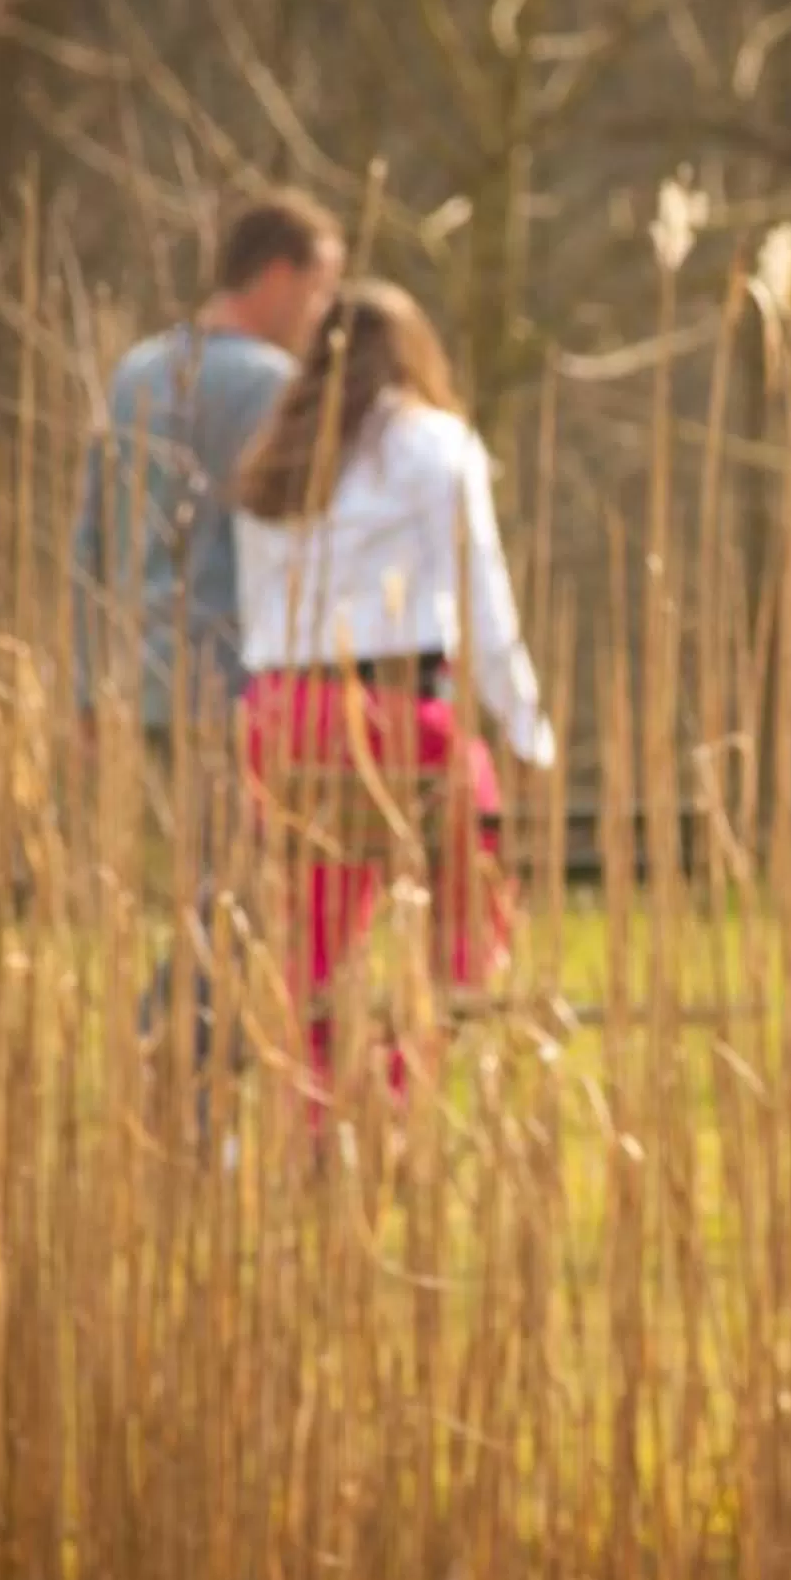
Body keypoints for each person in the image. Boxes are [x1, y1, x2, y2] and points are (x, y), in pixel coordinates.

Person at [229, 278, 554, 1126]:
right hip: (395, 713)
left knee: (314, 935)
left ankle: (314, 1125)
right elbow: (485, 601)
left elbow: (255, 609)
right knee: (470, 899)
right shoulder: (436, 445)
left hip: (279, 715)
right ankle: (401, 1094)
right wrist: (528, 732)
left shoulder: (276, 459)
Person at [74, 192, 346, 1119]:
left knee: (215, 885)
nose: (319, 312)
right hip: (236, 683)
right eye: (317, 288)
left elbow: (91, 541)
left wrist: (86, 684)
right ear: (276, 275)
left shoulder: (134, 374)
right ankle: (168, 1075)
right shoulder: (273, 385)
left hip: (144, 682)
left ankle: (193, 1084)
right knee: (237, 896)